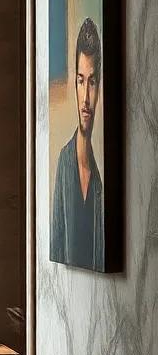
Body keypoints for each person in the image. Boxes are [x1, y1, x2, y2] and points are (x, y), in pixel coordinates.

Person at [50, 17, 104, 269]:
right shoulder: (64, 162)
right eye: (81, 81)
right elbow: (57, 242)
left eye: (92, 82)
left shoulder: (100, 177)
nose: (85, 98)